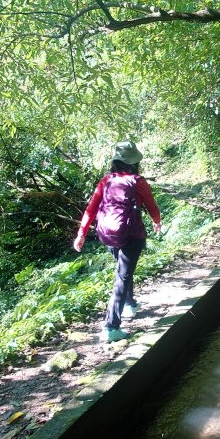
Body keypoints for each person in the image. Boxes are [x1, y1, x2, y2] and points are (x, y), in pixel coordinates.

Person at [73, 141, 162, 342]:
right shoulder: (138, 181)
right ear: (134, 162)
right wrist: (156, 222)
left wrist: (81, 234)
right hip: (132, 234)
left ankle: (130, 304)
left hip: (108, 234)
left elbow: (91, 209)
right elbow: (151, 206)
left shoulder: (106, 180)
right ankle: (111, 327)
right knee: (122, 276)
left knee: (123, 271)